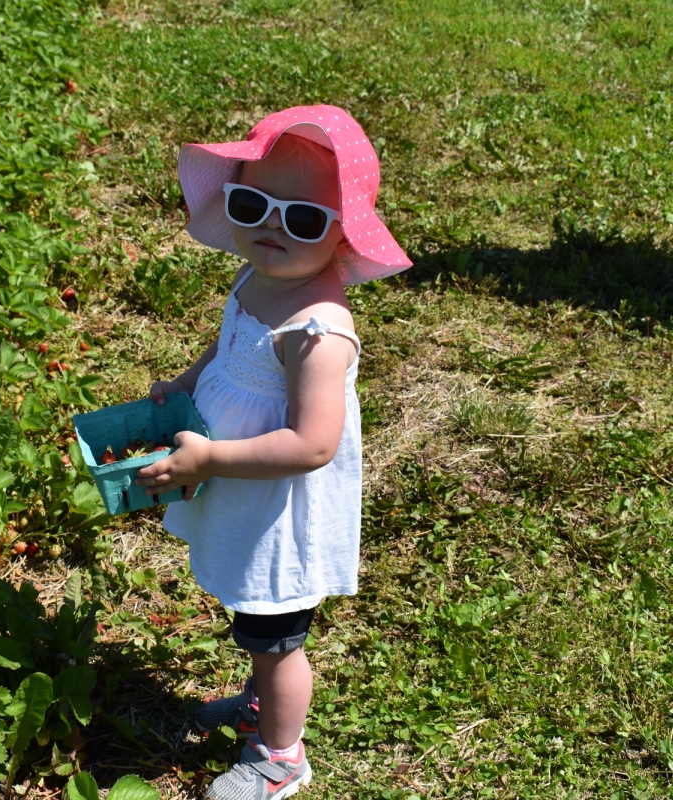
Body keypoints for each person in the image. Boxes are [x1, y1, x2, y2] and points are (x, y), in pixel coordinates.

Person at [134, 105, 412, 800]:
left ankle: (282, 757)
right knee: (255, 627)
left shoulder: (320, 328)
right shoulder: (261, 280)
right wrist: (187, 384)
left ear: (344, 233)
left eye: (305, 219)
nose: (271, 227)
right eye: (254, 204)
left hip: (277, 509)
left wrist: (207, 461)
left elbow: (313, 443)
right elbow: (229, 345)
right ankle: (262, 707)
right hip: (242, 485)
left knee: (276, 636)